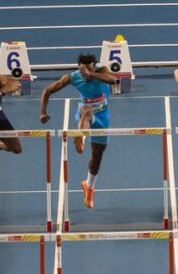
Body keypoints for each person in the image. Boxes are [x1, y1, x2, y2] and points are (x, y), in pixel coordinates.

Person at [39, 54, 119, 209]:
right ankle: (80, 138)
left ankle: (88, 186)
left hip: (103, 117)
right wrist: (43, 111)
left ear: (94, 66)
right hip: (84, 112)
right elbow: (48, 90)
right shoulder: (73, 77)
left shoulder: (102, 70)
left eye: (90, 67)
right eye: (83, 69)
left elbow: (113, 80)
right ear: (79, 68)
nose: (86, 72)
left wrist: (92, 74)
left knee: (97, 157)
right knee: (87, 111)